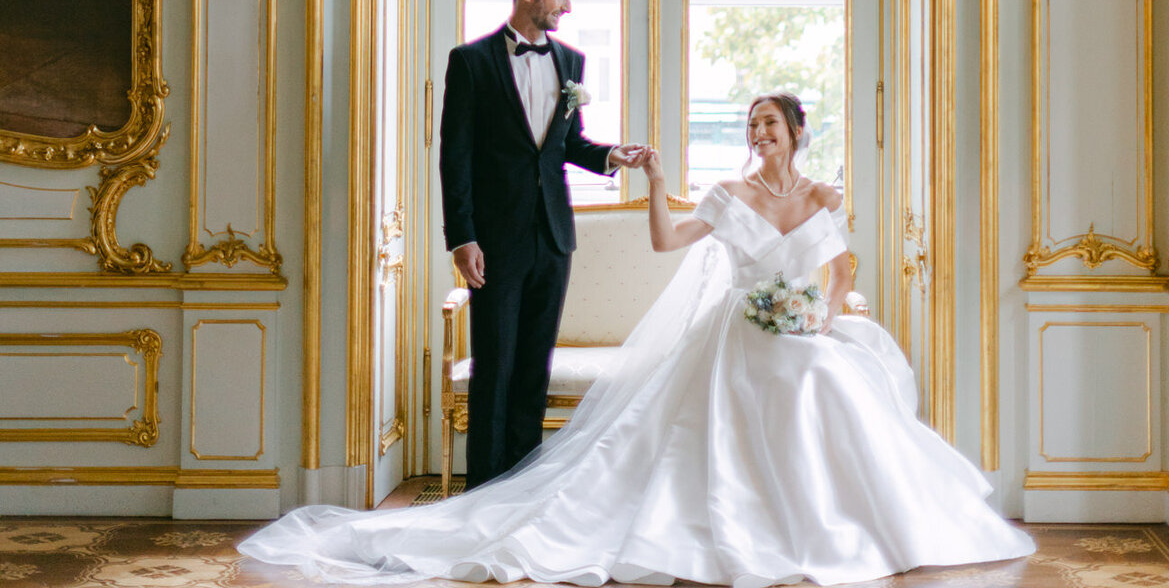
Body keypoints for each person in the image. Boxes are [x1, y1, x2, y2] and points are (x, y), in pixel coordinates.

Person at [240, 87, 1035, 587]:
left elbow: (840, 264)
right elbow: (665, 244)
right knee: (769, 395)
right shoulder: (727, 194)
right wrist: (655, 184)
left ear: (796, 131)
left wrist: (824, 312)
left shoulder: (825, 194)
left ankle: (840, 525)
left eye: (771, 122)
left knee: (828, 381)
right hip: (741, 333)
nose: (760, 132)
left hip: (804, 331)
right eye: (752, 122)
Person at [439, 0, 646, 487]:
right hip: (495, 242)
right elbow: (454, 157)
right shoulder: (471, 62)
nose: (567, 6)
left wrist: (607, 156)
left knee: (534, 369)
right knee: (495, 368)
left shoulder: (571, 62)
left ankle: (521, 488)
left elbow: (563, 144)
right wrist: (463, 237)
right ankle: (481, 490)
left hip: (554, 239)